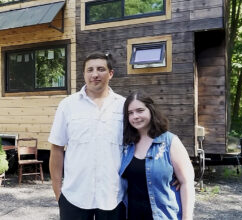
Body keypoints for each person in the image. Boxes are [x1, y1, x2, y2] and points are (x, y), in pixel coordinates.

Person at [48, 52, 126, 220]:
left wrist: (175, 169)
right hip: (74, 196)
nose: (95, 74)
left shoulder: (124, 106)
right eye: (89, 70)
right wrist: (58, 192)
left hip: (113, 197)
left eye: (101, 69)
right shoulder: (67, 105)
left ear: (110, 73)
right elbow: (56, 148)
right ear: (84, 74)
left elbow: (141, 143)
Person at [119, 90, 195, 220]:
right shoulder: (126, 144)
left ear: (151, 110)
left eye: (140, 110)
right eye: (130, 113)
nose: (135, 116)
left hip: (163, 215)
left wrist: (187, 218)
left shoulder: (170, 142)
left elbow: (186, 182)